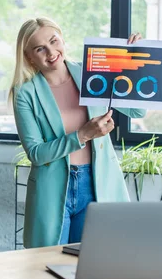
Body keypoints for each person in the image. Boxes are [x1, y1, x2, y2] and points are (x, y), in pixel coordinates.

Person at [10, 16, 146, 248]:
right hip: (52, 189)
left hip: (96, 183)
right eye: (40, 48)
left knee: (91, 263)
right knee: (46, 265)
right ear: (28, 56)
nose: (51, 52)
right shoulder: (25, 93)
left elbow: (137, 110)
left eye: (54, 41)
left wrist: (133, 61)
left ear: (62, 39)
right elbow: (36, 153)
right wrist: (83, 135)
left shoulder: (93, 74)